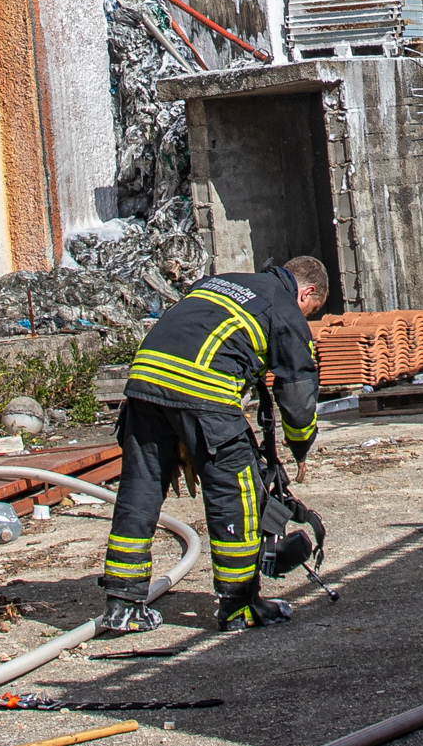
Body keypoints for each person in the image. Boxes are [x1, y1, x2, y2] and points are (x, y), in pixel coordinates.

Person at [100, 253, 325, 632]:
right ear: (308, 292)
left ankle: (123, 603)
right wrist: (301, 447)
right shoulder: (283, 307)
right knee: (235, 494)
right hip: (203, 392)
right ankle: (239, 605)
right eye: (312, 310)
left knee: (140, 488)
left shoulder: (221, 282)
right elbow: (298, 394)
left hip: (143, 383)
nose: (306, 318)